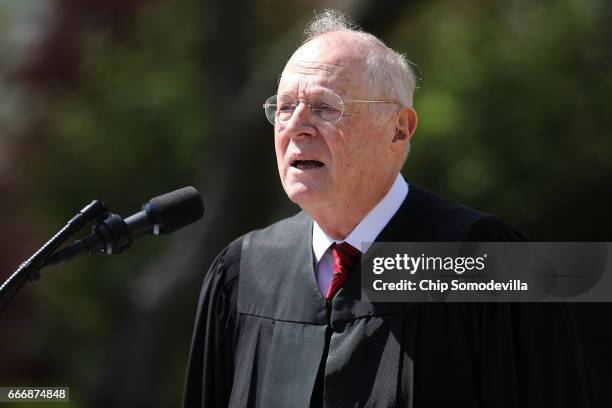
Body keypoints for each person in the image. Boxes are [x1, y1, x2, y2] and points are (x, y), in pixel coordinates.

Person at [182, 10, 591, 408]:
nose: (296, 125)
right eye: (285, 107)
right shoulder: (244, 273)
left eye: (325, 107)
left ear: (399, 129)